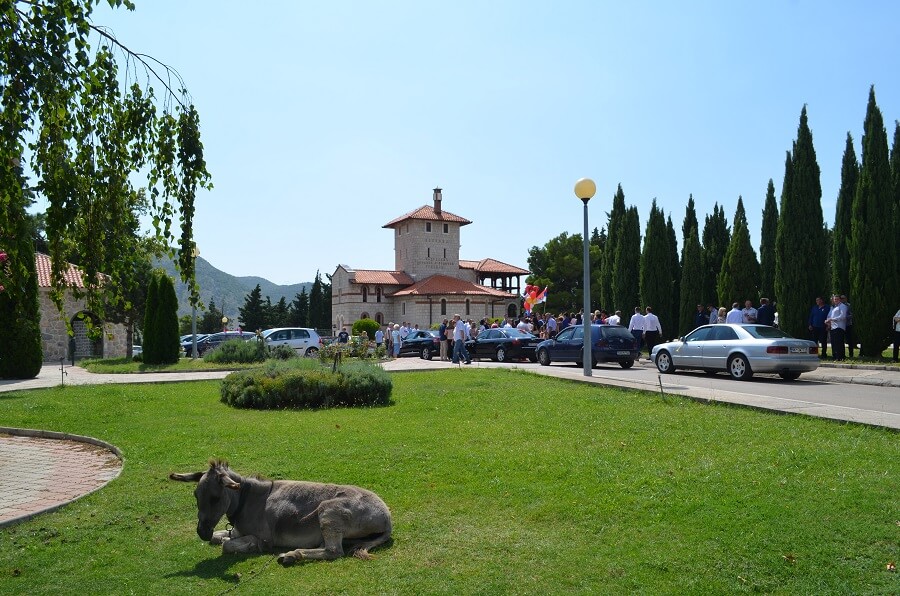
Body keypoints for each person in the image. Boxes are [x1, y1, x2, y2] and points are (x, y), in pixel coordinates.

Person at [825, 295, 848, 361]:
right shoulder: (833, 307)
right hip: (833, 327)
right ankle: (834, 356)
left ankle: (840, 357)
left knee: (839, 342)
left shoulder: (842, 306)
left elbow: (843, 316)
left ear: (840, 300)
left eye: (837, 299)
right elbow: (829, 315)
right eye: (834, 299)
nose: (835, 300)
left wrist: (832, 319)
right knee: (834, 343)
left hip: (839, 327)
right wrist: (827, 321)